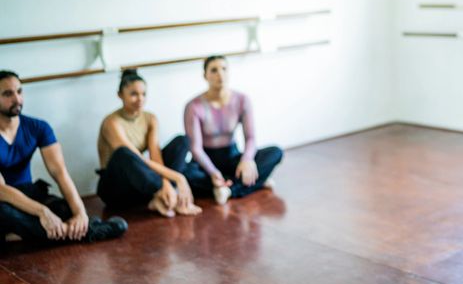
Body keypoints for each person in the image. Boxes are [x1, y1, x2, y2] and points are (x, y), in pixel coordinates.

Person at [0, 70, 127, 244]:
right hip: (4, 200)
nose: (17, 99)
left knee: (63, 209)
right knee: (5, 214)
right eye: (8, 94)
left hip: (29, 192)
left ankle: (23, 236)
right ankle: (90, 231)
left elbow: (60, 172)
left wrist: (80, 213)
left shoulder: (39, 127)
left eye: (19, 91)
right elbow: (2, 190)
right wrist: (42, 212)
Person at [97, 69, 202, 217]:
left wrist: (166, 183)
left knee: (182, 141)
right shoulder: (111, 122)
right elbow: (135, 158)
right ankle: (163, 195)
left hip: (141, 186)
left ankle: (165, 198)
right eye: (133, 94)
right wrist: (178, 178)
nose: (140, 99)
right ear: (120, 95)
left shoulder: (150, 118)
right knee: (123, 153)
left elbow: (155, 156)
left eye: (143, 94)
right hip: (116, 190)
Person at [183, 56, 283, 205]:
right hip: (206, 161)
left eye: (224, 69)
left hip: (232, 156)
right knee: (186, 172)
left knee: (275, 152)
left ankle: (230, 189)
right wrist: (213, 172)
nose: (220, 74)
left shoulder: (242, 99)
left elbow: (251, 137)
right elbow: (195, 149)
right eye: (214, 70)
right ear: (205, 76)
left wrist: (247, 160)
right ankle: (253, 182)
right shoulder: (193, 106)